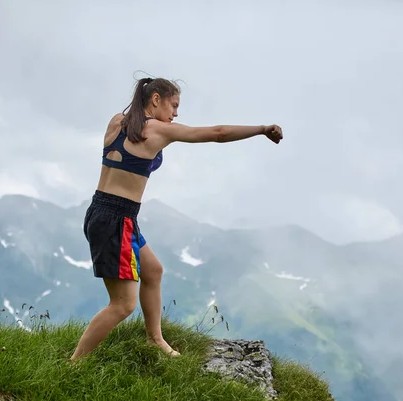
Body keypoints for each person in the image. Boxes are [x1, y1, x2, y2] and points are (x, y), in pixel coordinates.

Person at [70, 77, 283, 360]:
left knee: (153, 271)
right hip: (116, 219)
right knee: (122, 305)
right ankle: (73, 365)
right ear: (156, 99)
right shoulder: (157, 131)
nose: (176, 114)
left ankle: (154, 339)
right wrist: (261, 129)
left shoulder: (116, 122)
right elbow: (217, 133)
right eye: (174, 105)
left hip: (104, 211)